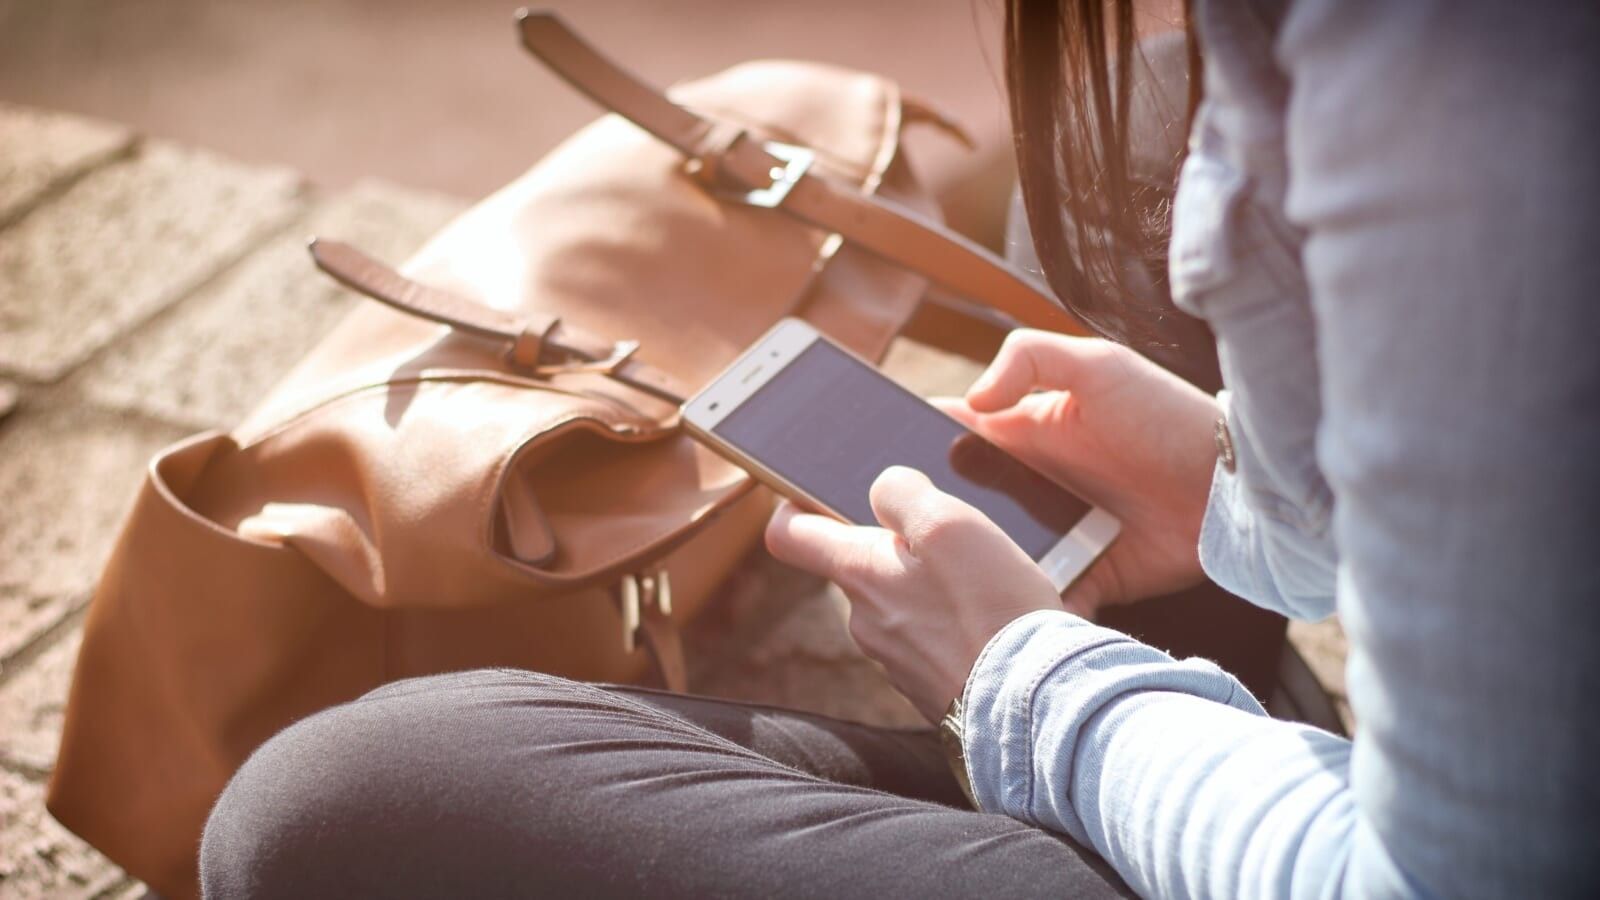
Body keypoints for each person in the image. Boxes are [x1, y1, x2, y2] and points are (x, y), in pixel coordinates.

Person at [199, 0, 1600, 897]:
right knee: (1126, 147)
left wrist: (1029, 682)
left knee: (334, 810)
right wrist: (1249, 499)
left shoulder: (1447, 93)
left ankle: (1159, 772)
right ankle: (1217, 730)